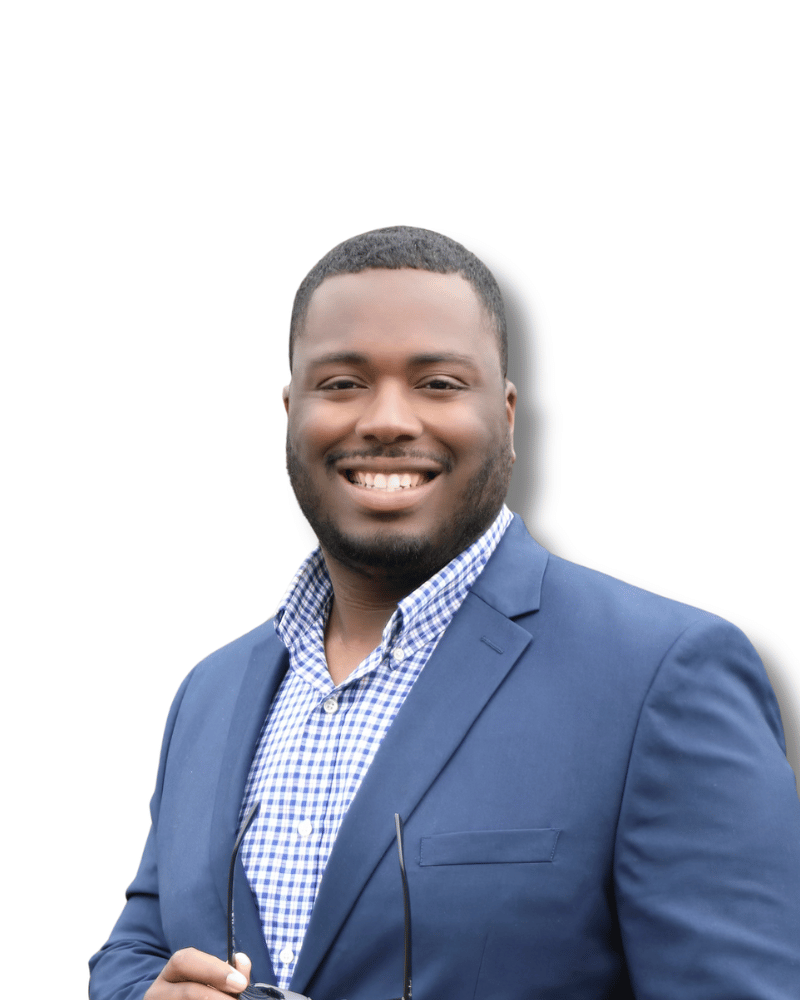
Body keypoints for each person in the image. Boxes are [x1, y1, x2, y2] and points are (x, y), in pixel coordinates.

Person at [89, 226, 800, 1000]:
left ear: (508, 415)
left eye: (437, 383)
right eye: (341, 382)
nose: (388, 419)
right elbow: (140, 946)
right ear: (291, 412)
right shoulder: (212, 692)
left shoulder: (662, 678)